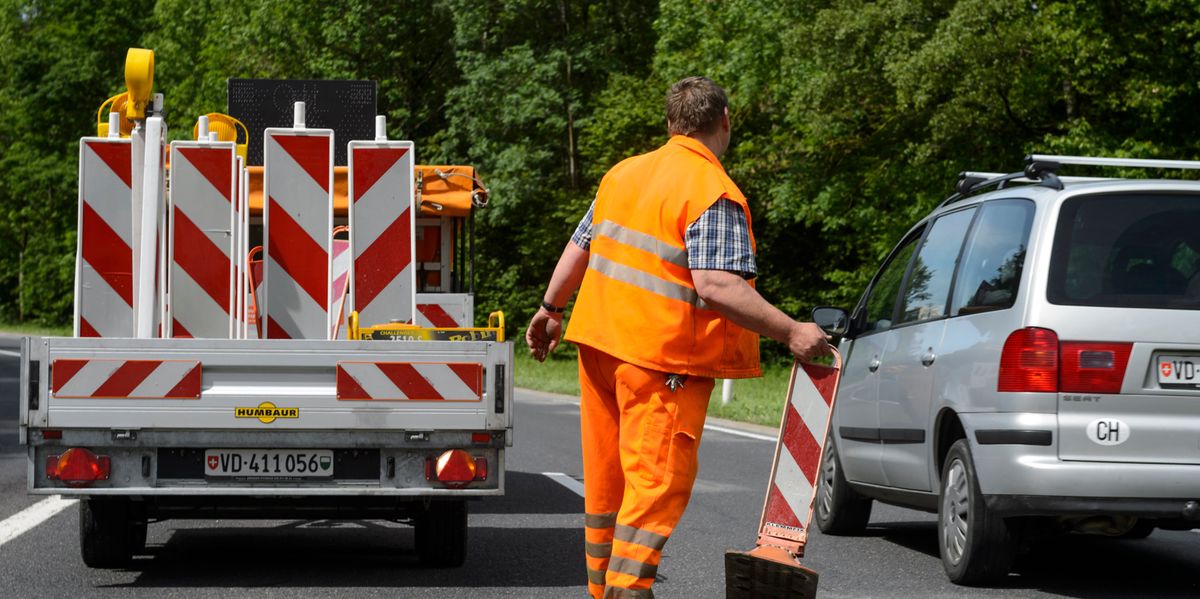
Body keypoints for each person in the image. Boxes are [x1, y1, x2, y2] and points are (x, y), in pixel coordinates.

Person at [525, 76, 831, 599]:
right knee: (655, 482)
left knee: (607, 484)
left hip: (599, 349)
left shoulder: (623, 175)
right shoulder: (712, 191)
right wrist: (791, 330)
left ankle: (603, 589)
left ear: (671, 124)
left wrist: (549, 309)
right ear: (725, 122)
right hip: (658, 361)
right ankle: (628, 588)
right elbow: (717, 286)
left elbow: (580, 245)